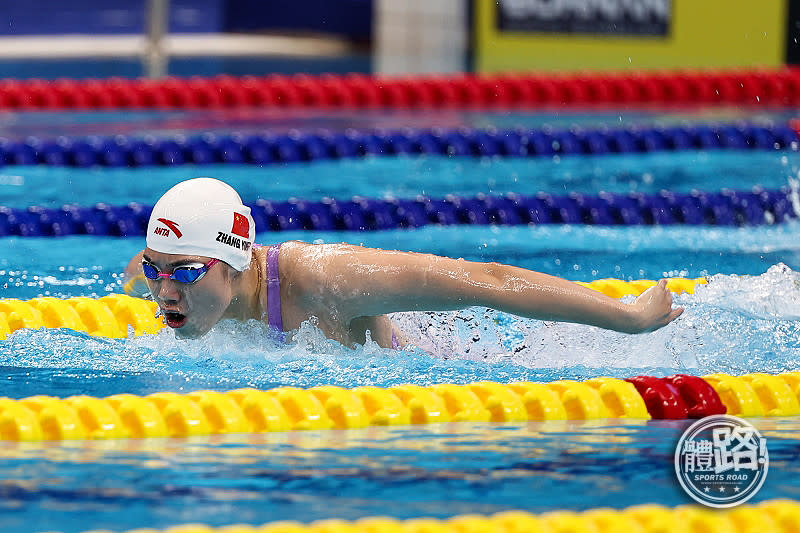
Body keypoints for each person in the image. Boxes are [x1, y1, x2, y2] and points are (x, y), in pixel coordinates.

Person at [123, 178, 683, 348]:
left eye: (187, 272)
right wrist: (154, 267)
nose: (165, 292)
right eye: (157, 271)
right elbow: (144, 265)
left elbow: (487, 282)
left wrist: (626, 316)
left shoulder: (324, 279)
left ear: (235, 261)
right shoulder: (161, 274)